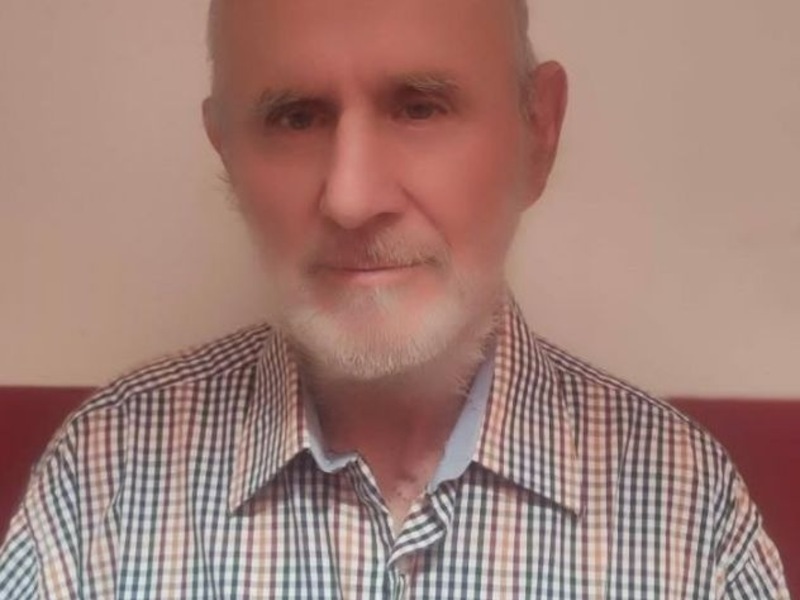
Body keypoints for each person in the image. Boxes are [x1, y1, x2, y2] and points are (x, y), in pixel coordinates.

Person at [0, 0, 790, 597]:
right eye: (294, 117)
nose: (351, 199)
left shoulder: (689, 513)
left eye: (420, 106)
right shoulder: (100, 486)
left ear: (538, 133)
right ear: (228, 154)